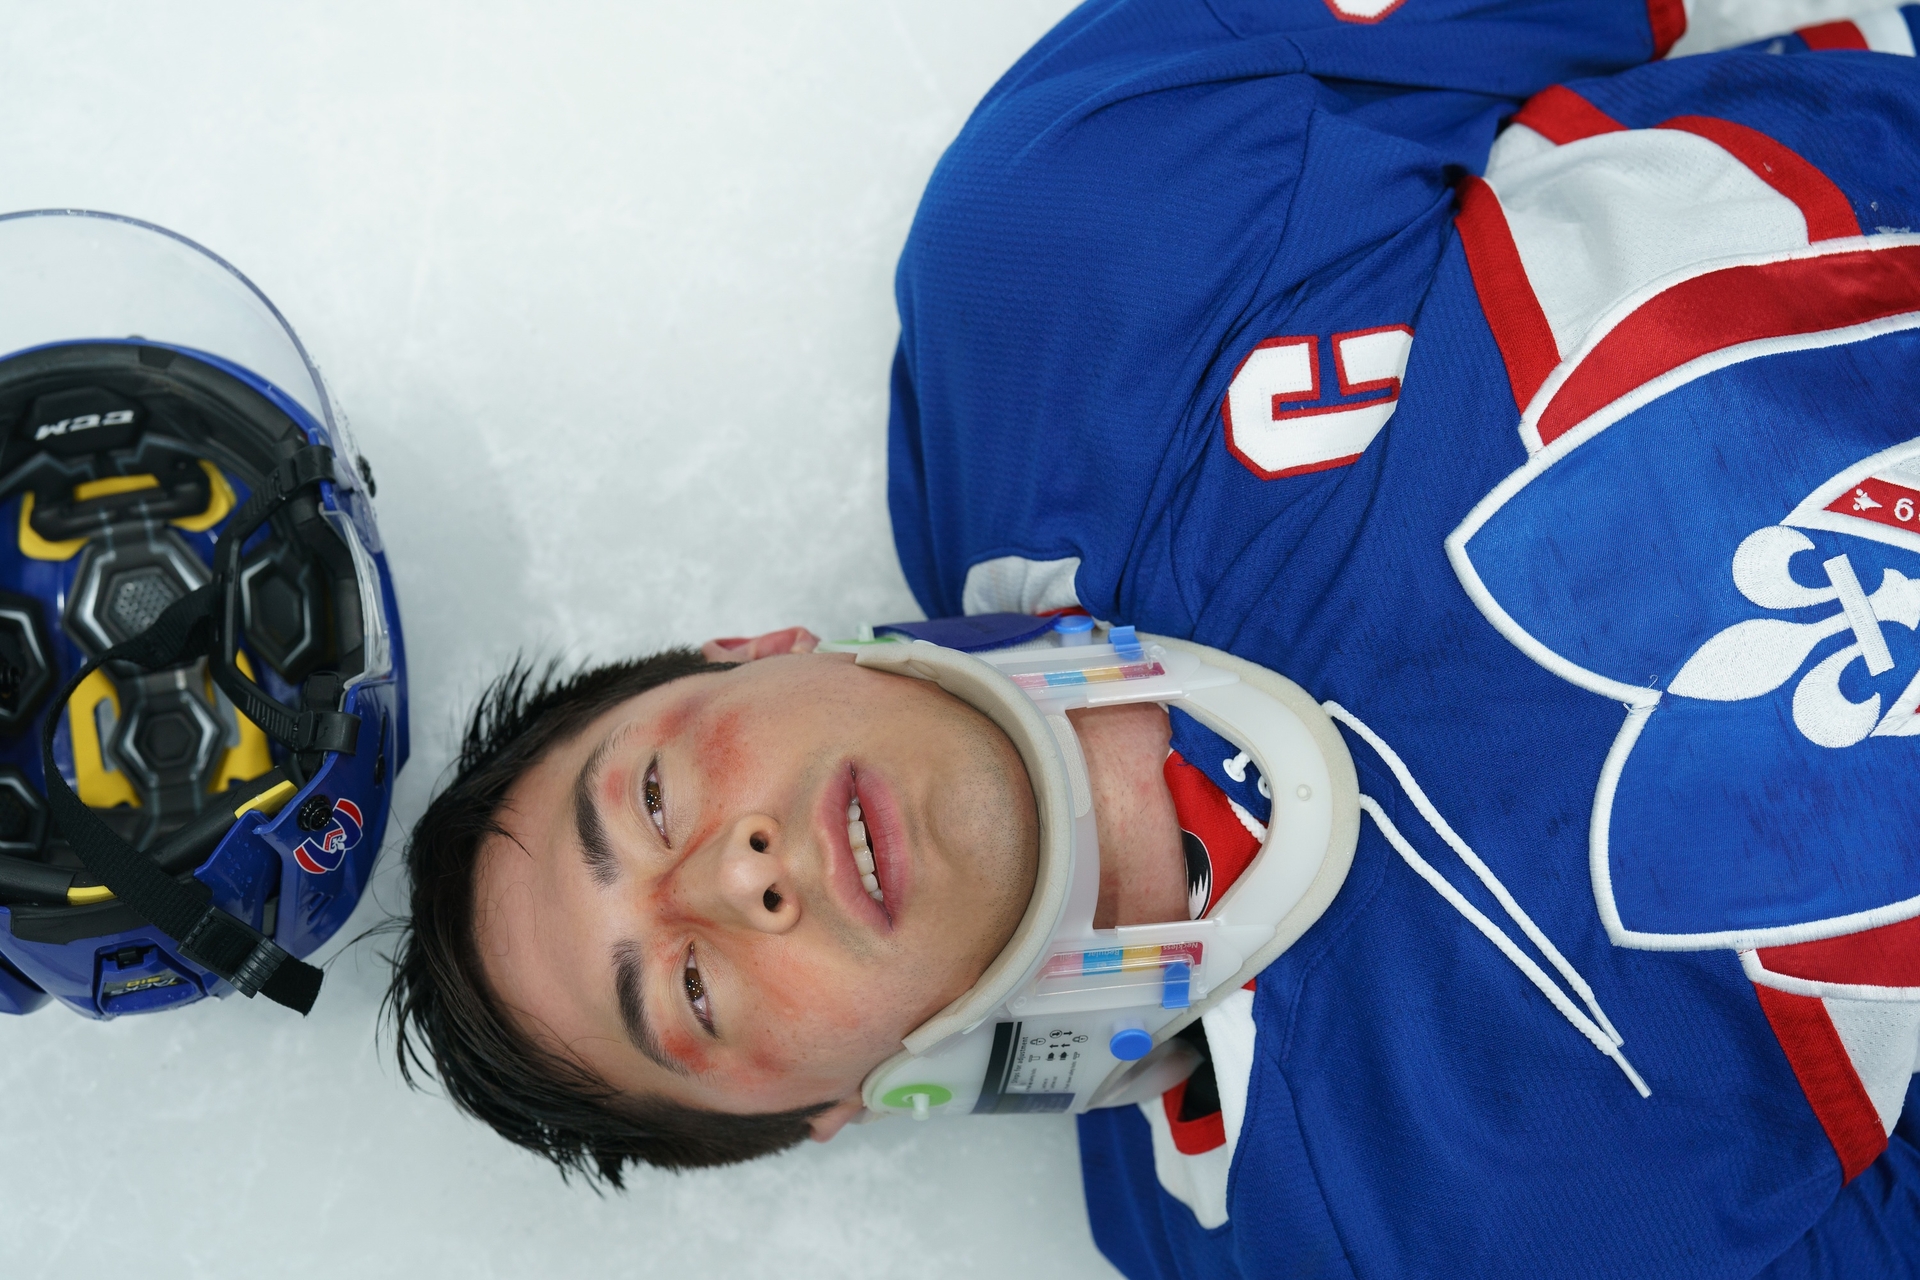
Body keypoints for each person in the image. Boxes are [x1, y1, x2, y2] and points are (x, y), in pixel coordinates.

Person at [384, 2, 1920, 1274]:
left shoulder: (1064, 249)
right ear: (831, 1111)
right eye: (692, 995)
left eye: (651, 802)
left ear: (748, 648)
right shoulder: (1350, 1246)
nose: (736, 876)